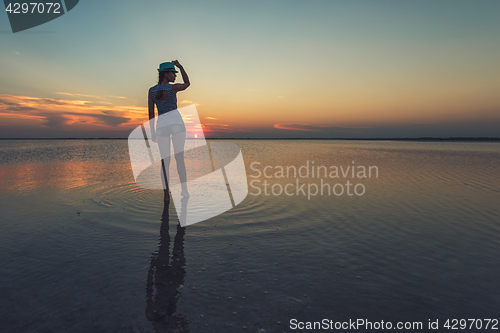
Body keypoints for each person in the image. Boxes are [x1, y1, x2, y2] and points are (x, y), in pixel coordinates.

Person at [148, 60, 190, 200]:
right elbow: (187, 83)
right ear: (166, 74)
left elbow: (151, 114)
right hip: (177, 125)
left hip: (161, 127)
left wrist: (153, 131)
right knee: (180, 159)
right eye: (173, 73)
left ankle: (166, 194)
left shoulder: (151, 91)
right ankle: (184, 190)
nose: (175, 75)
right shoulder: (173, 88)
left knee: (165, 162)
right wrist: (181, 66)